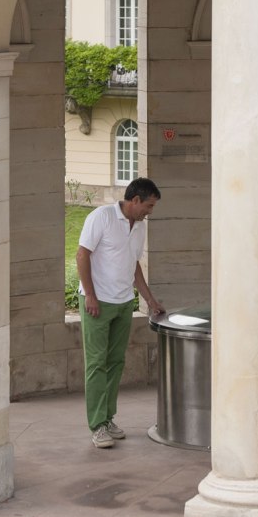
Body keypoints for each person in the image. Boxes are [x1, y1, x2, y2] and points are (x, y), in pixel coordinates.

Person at [76, 176, 166, 449]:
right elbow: (82, 255)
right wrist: (90, 295)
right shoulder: (100, 217)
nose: (150, 212)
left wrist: (149, 299)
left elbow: (133, 264)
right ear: (135, 200)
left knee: (115, 363)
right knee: (96, 364)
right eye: (148, 206)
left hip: (124, 302)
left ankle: (108, 418)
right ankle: (97, 425)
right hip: (97, 303)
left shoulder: (139, 227)